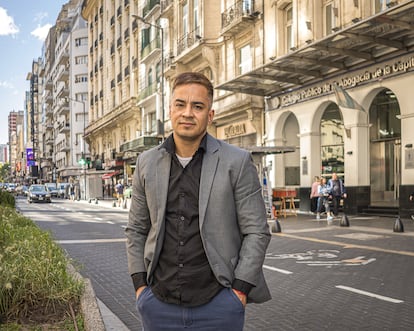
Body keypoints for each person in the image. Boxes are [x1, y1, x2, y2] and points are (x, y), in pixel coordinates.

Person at [125, 72, 271, 331]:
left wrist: (239, 291)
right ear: (170, 110)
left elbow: (257, 230)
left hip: (219, 306)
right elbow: (136, 229)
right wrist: (140, 286)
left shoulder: (236, 162)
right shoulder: (146, 163)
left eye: (198, 106)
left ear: (210, 115)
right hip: (158, 304)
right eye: (180, 104)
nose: (188, 113)